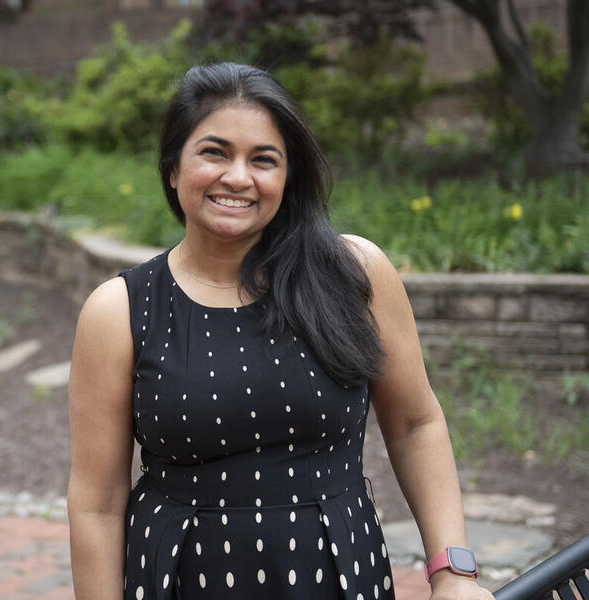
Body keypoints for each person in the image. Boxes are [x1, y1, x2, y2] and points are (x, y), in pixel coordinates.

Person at [67, 62, 495, 600]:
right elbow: (98, 504)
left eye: (263, 159)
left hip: (337, 577)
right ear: (172, 168)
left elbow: (415, 424)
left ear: (288, 177)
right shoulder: (120, 310)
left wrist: (453, 572)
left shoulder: (353, 274)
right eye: (215, 152)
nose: (238, 177)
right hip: (181, 582)